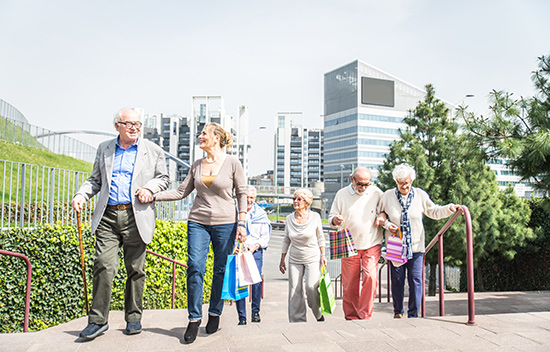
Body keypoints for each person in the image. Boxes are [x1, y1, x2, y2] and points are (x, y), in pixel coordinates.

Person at [71, 108, 169, 340]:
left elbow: (164, 179)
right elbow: (95, 179)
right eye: (129, 124)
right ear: (117, 126)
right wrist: (81, 195)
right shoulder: (104, 148)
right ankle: (97, 321)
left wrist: (149, 189)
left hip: (136, 217)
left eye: (138, 124)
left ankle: (133, 319)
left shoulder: (153, 150)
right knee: (104, 265)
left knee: (136, 270)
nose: (135, 128)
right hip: (108, 216)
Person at [149, 122, 247, 344]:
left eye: (204, 133)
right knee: (195, 267)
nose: (200, 136)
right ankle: (194, 318)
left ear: (216, 138)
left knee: (220, 270)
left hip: (226, 223)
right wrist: (152, 195)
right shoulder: (197, 164)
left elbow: (241, 193)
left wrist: (241, 223)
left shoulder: (232, 163)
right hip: (198, 221)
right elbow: (182, 192)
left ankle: (215, 313)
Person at [378, 163, 460, 318]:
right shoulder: (387, 196)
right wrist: (389, 225)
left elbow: (434, 211)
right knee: (397, 281)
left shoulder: (420, 195)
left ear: (411, 181)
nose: (404, 186)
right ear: (396, 181)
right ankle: (398, 311)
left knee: (416, 280)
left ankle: (414, 314)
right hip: (396, 245)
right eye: (400, 183)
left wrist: (449, 208)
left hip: (416, 247)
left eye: (406, 183)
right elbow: (380, 215)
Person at [328, 167, 385, 320]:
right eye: (360, 184)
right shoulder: (342, 194)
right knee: (349, 284)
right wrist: (335, 220)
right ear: (352, 179)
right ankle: (352, 316)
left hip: (371, 242)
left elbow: (384, 211)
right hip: (348, 242)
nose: (363, 187)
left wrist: (381, 217)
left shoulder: (376, 193)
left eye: (367, 184)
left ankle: (365, 314)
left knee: (370, 277)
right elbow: (331, 216)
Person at [279, 188, 327, 323]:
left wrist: (323, 255)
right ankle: (297, 320)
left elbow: (320, 237)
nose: (295, 201)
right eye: (294, 199)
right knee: (294, 290)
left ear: (306, 202)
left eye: (299, 199)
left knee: (311, 287)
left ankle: (318, 313)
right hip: (295, 257)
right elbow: (286, 239)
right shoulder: (289, 218)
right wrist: (282, 258)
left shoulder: (315, 217)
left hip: (312, 256)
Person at [235, 186, 271, 325]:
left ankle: (255, 311)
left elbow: (264, 237)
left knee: (256, 281)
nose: (249, 200)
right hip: (239, 250)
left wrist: (255, 246)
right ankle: (242, 317)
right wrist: (235, 248)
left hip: (255, 251)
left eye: (251, 198)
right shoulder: (236, 213)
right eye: (246, 198)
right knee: (240, 282)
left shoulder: (261, 214)